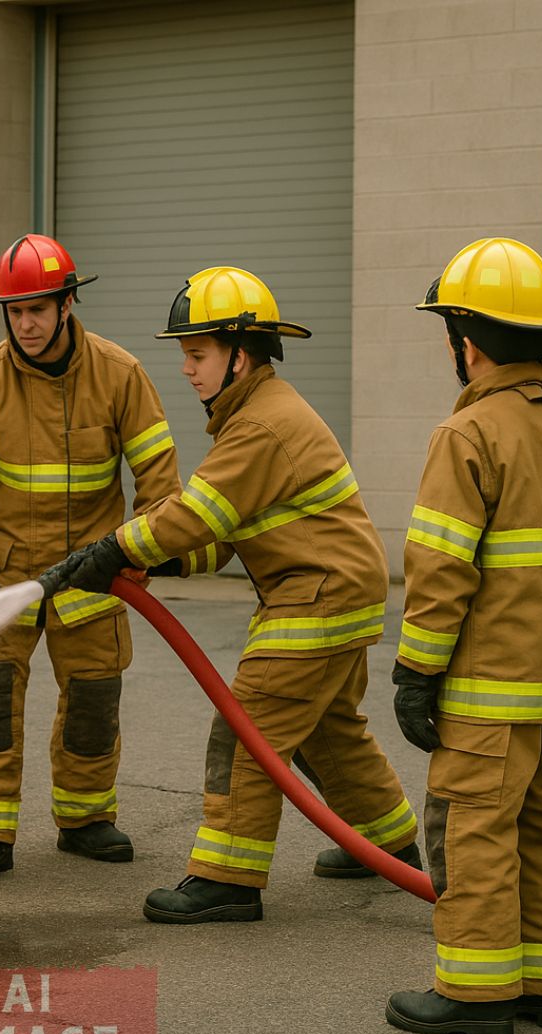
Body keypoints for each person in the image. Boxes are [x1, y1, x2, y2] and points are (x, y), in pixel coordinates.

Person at [45, 265, 420, 923]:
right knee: (326, 731)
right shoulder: (257, 414)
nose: (187, 370)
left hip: (316, 595)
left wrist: (114, 550)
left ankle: (227, 877)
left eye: (198, 355)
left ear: (240, 356)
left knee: (247, 731)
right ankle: (387, 844)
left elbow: (195, 515)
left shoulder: (259, 426)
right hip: (337, 589)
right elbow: (220, 534)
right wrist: (153, 564)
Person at [384, 239, 542, 1034]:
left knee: (474, 830)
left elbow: (440, 570)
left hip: (488, 696)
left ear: (466, 342)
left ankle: (475, 996)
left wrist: (416, 671)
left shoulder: (468, 434)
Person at [0, 233, 181, 879]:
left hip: (92, 574)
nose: (27, 324)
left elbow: (158, 476)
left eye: (38, 308)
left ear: (67, 303)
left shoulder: (120, 374)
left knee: (95, 702)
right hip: (5, 573)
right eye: (15, 312)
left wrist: (138, 552)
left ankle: (87, 819)